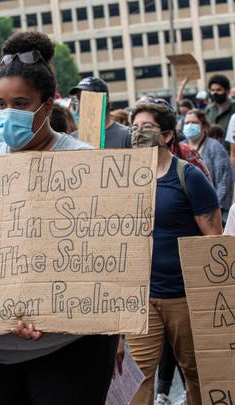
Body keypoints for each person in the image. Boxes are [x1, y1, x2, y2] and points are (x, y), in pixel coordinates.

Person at [0, 32, 118, 405]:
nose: (7, 112)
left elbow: (105, 258)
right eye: (1, 103)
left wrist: (47, 307)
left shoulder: (85, 164)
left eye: (20, 103)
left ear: (47, 107)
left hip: (69, 350)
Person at [126, 97, 222, 405]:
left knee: (195, 372)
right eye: (134, 127)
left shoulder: (189, 177)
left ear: (167, 135)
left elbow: (213, 239)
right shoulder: (124, 179)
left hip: (184, 296)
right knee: (138, 375)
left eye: (148, 127)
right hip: (141, 299)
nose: (139, 132)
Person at [182, 109, 232, 221]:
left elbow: (223, 182)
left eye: (194, 123)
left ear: (204, 126)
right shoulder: (179, 148)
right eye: (186, 123)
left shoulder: (215, 148)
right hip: (186, 211)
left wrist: (213, 210)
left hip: (213, 210)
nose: (190, 126)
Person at [69, 76, 132, 148]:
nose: (82, 104)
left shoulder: (127, 136)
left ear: (105, 101)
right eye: (80, 99)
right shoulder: (73, 139)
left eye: (89, 98)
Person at [204, 74, 235, 149]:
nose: (215, 93)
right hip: (213, 151)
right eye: (212, 90)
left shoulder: (233, 107)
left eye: (219, 90)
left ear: (227, 91)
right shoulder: (208, 110)